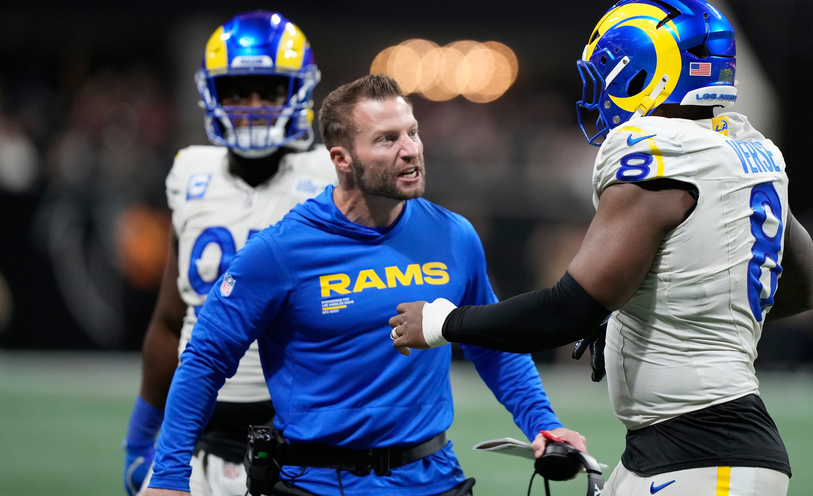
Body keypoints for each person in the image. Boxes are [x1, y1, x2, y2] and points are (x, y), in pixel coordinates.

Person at [390, 0, 813, 496]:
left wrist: (444, 323)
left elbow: (567, 310)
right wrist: (673, 304)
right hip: (679, 448)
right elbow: (798, 288)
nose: (599, 93)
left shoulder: (661, 155)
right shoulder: (747, 149)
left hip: (707, 453)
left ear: (644, 73)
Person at [143, 74, 585, 496]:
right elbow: (204, 360)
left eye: (412, 132)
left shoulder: (454, 236)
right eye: (387, 139)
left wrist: (543, 423)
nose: (410, 150)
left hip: (435, 479)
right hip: (314, 485)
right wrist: (169, 475)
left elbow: (493, 347)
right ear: (342, 159)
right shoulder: (280, 252)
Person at [122, 10, 338, 496]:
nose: (254, 107)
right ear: (213, 95)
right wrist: (139, 437)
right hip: (198, 437)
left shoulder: (330, 178)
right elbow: (171, 320)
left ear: (299, 92)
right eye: (237, 92)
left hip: (300, 443)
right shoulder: (190, 173)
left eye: (270, 90)